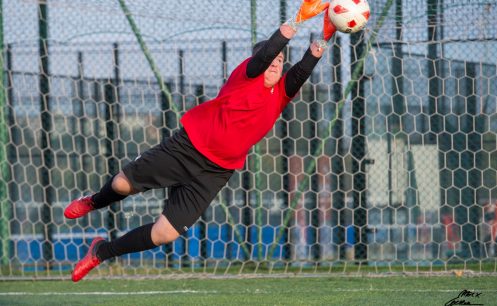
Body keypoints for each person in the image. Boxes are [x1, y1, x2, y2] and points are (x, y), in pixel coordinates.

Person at [66, 0, 337, 282]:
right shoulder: (247, 76)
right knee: (122, 184)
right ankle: (94, 201)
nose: (275, 63)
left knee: (164, 234)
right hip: (188, 148)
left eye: (280, 61)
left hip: (216, 171)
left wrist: (325, 36)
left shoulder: (280, 94)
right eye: (272, 59)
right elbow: (267, 52)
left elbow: (303, 70)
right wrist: (296, 20)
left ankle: (100, 252)